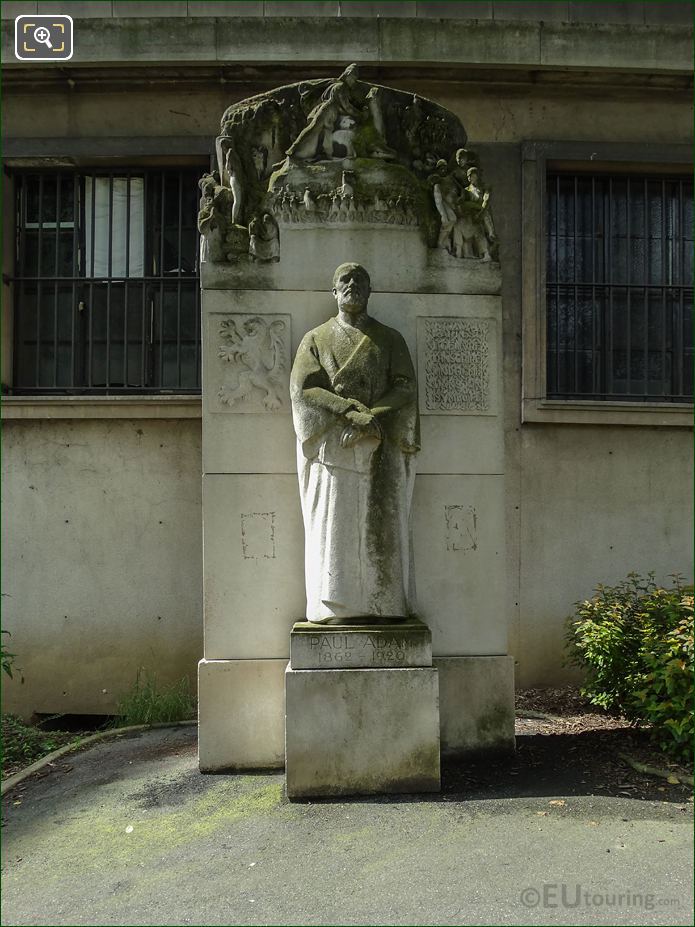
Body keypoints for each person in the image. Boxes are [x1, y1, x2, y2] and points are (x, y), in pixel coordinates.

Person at [290, 263, 420, 624]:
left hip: (379, 446)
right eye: (345, 281)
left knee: (382, 527)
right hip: (335, 447)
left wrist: (371, 418)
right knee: (336, 528)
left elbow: (406, 387)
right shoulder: (315, 339)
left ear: (370, 291)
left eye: (360, 281)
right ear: (334, 292)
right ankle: (335, 607)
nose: (352, 286)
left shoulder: (390, 339)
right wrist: (348, 412)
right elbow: (305, 388)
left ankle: (385, 604)